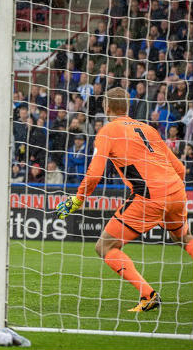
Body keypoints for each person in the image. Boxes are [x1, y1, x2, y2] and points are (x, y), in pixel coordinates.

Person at [56, 87, 193, 312]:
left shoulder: (108, 131)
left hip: (150, 196)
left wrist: (78, 200)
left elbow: (94, 174)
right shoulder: (148, 128)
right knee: (184, 238)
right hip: (176, 191)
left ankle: (148, 295)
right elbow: (179, 168)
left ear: (106, 107)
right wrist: (169, 200)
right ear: (128, 107)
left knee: (105, 246)